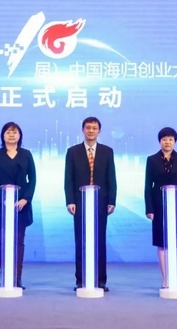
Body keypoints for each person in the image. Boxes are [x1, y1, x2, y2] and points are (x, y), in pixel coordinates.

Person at [64, 117, 117, 292]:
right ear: (83, 130)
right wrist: (70, 200)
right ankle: (81, 279)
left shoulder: (107, 151)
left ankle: (101, 280)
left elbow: (111, 177)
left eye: (94, 128)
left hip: (101, 202)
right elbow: (68, 178)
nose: (91, 131)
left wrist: (111, 201)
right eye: (88, 128)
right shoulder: (73, 152)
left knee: (99, 240)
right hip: (79, 203)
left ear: (99, 131)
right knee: (81, 240)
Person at [0, 122, 36, 289]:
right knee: (3, 241)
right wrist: (3, 198)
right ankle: (5, 276)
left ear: (19, 135)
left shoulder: (26, 154)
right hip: (2, 205)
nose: (11, 135)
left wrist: (25, 199)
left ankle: (17, 278)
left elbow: (32, 179)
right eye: (8, 132)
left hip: (21, 205)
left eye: (14, 132)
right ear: (3, 135)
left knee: (18, 242)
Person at [144, 127, 177, 288]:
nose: (167, 142)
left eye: (170, 139)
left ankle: (174, 276)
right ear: (160, 141)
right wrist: (149, 209)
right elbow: (148, 186)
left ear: (175, 142)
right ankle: (165, 278)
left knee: (175, 241)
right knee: (162, 242)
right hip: (159, 206)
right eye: (164, 139)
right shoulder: (152, 160)